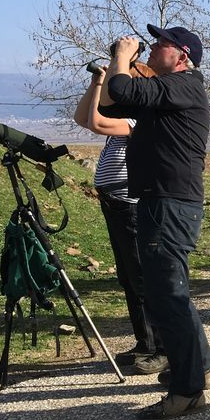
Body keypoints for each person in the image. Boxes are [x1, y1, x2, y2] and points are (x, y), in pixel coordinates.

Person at [98, 24, 210, 420]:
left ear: (182, 56)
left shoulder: (186, 86)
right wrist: (114, 68)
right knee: (171, 291)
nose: (151, 45)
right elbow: (110, 105)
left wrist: (122, 60)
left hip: (170, 204)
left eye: (161, 42)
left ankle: (188, 391)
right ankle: (197, 370)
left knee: (168, 295)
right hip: (159, 202)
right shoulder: (166, 93)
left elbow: (124, 90)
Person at [72, 60, 162, 373]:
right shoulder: (122, 115)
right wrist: (97, 81)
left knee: (141, 277)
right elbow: (82, 117)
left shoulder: (139, 117)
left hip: (131, 205)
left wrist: (112, 70)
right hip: (116, 204)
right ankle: (145, 342)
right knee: (128, 278)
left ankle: (161, 346)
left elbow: (96, 122)